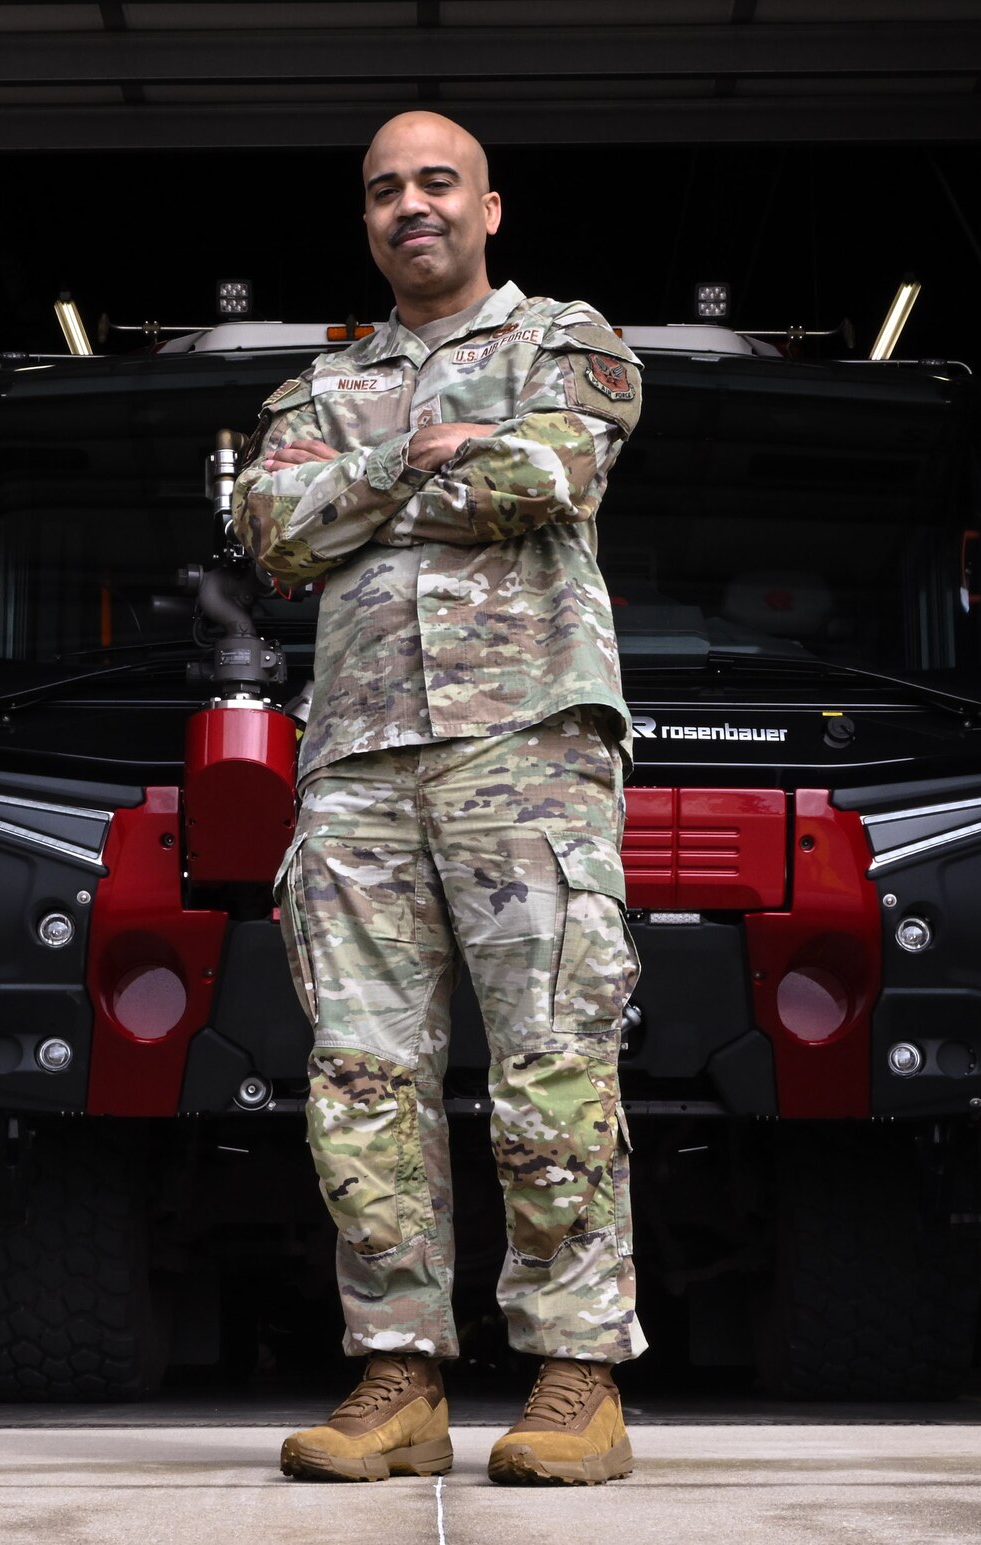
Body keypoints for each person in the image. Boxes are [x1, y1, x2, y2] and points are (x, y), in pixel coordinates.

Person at [229, 110, 646, 1487]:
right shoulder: (317, 385)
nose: (411, 205)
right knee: (361, 1074)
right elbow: (270, 530)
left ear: (489, 206)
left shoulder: (568, 340)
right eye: (384, 190)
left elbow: (553, 471)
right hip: (354, 758)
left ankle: (576, 1376)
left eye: (436, 183)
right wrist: (421, 454)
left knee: (551, 1062)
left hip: (524, 741)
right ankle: (399, 1373)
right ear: (367, 220)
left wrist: (382, 481)